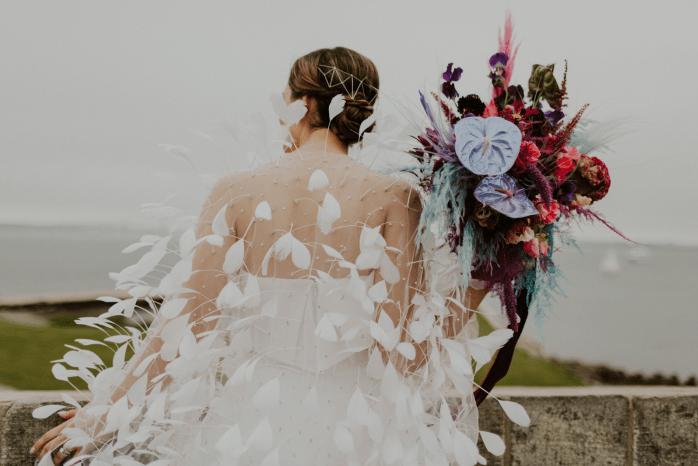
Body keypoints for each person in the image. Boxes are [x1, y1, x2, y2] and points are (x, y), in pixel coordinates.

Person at [31, 47, 506, 466]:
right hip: (362, 432)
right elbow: (405, 351)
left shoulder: (234, 191)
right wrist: (484, 276)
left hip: (249, 422)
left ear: (302, 103)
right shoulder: (395, 197)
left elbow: (190, 319)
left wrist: (107, 412)